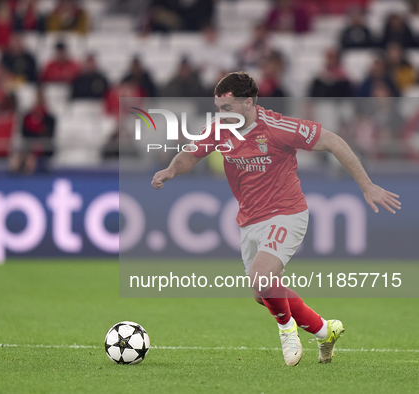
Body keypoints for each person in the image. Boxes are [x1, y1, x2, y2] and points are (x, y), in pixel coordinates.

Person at [151, 71, 401, 366]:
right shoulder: (219, 129)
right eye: (218, 108)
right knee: (264, 292)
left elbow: (333, 142)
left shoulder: (279, 127)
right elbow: (190, 155)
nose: (221, 114)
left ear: (248, 103)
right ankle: (324, 331)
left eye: (226, 108)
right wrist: (171, 169)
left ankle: (287, 330)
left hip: (287, 213)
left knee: (262, 278)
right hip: (250, 220)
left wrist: (367, 185)